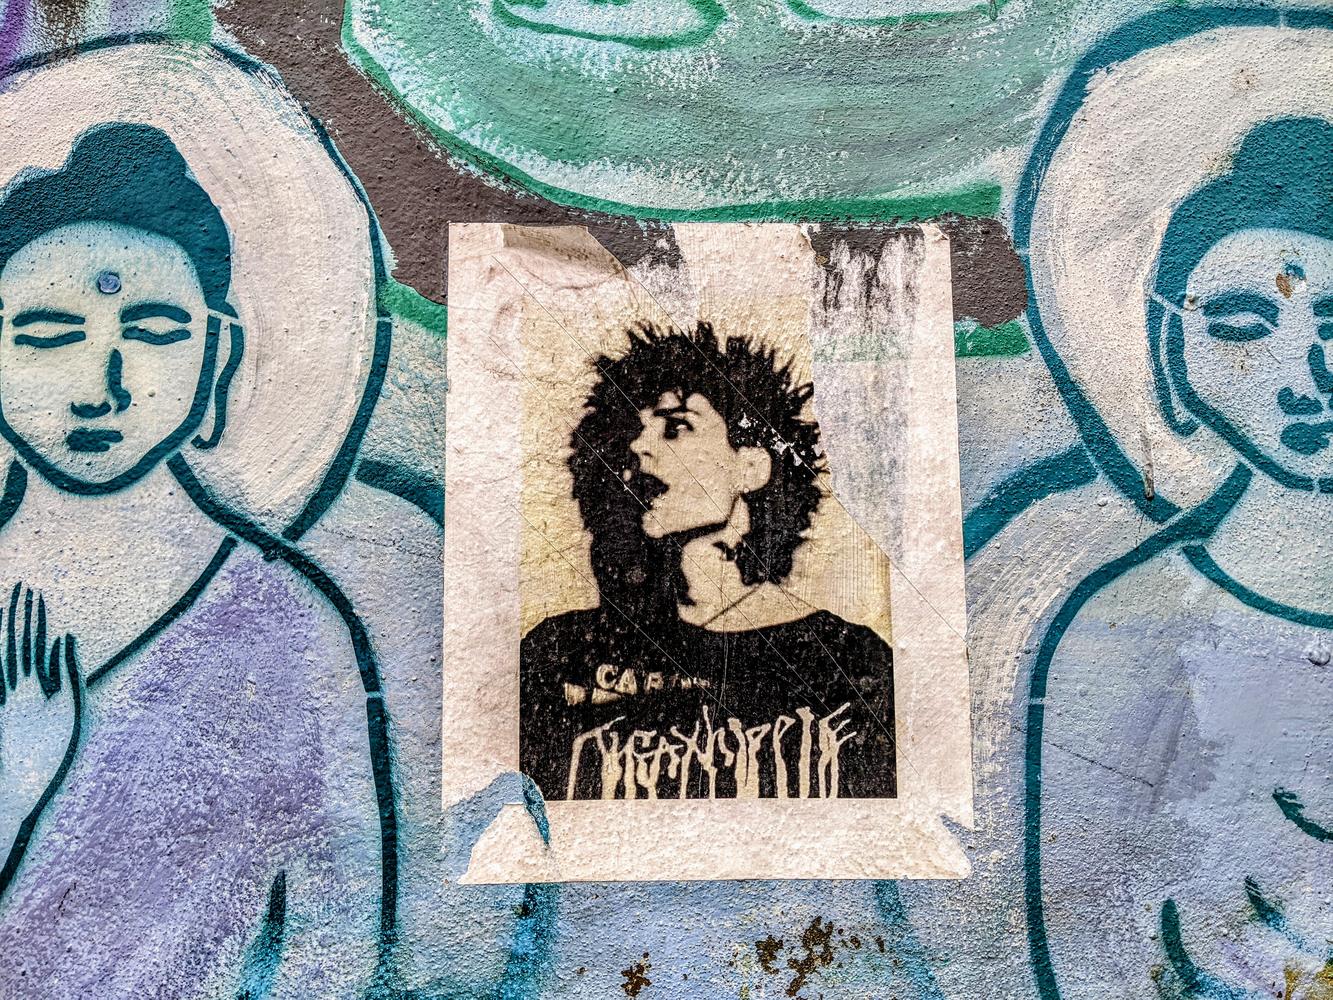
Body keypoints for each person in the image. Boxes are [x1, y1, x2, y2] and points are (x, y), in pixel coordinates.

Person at [0, 122, 396, 996]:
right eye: (49, 334)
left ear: (217, 355)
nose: (101, 388)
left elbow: (335, 943)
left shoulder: (291, 626)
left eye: (152, 332)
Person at [1028, 116, 1333, 998]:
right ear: (1169, 358)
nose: (1308, 374)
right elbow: (1085, 950)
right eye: (1241, 325)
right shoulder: (1123, 629)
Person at [520, 322, 896, 801]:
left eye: (676, 427)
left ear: (751, 467)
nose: (638, 448)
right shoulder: (559, 654)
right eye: (634, 432)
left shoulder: (850, 663)